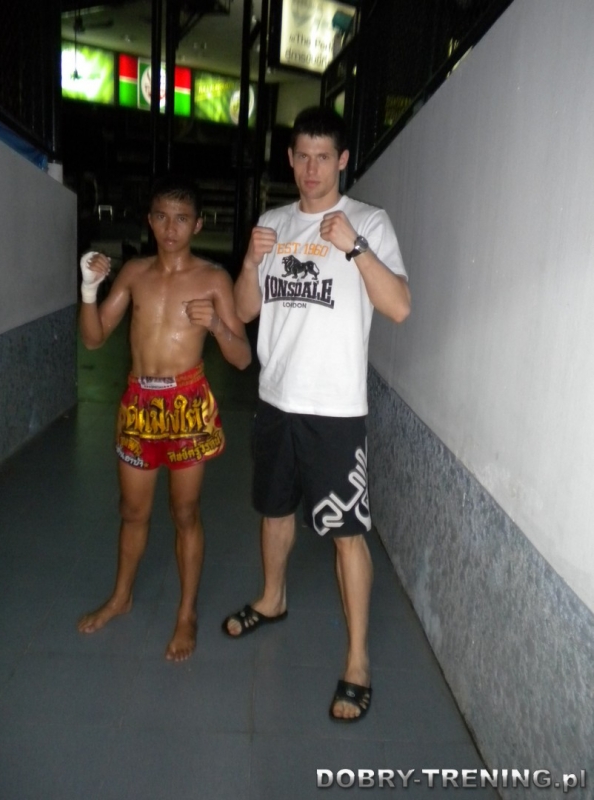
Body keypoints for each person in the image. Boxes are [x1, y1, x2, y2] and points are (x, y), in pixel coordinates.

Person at [222, 106, 411, 721]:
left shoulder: (368, 222)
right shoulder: (272, 223)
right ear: (290, 158)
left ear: (342, 160)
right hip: (276, 401)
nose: (310, 169)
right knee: (274, 511)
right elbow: (244, 311)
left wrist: (354, 247)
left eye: (323, 157)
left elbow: (399, 307)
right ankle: (271, 598)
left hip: (335, 411)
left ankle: (357, 660)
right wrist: (249, 263)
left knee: (347, 535)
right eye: (301, 156)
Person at [77, 174, 251, 661]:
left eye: (181, 219)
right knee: (132, 511)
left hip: (187, 404)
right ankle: (121, 597)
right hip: (139, 404)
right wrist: (90, 290)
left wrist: (217, 326)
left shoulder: (214, 279)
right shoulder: (134, 273)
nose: (170, 228)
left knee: (185, 513)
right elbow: (93, 338)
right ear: (150, 221)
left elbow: (242, 359)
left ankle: (186, 612)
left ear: (197, 224)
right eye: (161, 217)